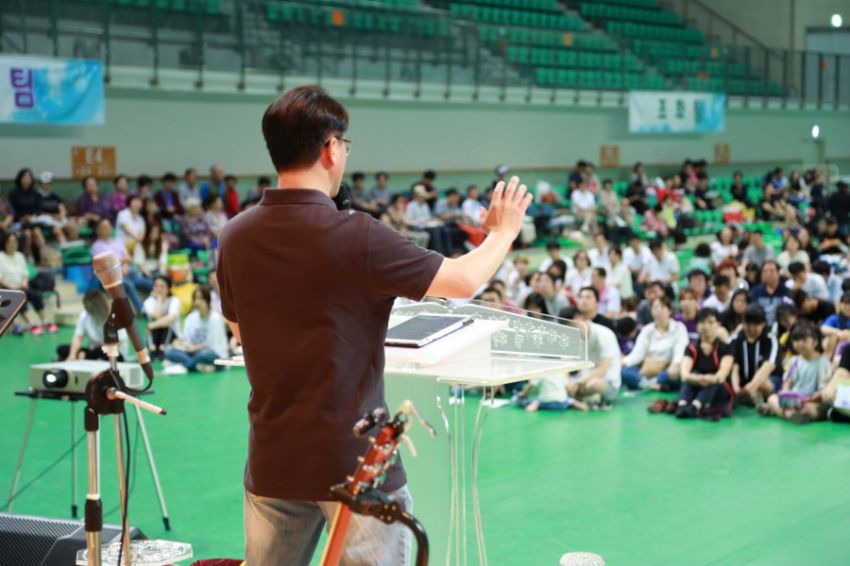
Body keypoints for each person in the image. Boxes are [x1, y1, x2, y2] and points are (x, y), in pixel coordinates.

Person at [215, 85, 533, 565]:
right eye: (344, 144)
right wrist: (503, 231)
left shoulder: (235, 236)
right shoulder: (357, 234)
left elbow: (241, 332)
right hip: (354, 460)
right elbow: (463, 279)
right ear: (330, 149)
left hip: (273, 458)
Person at [758, 320, 830, 423]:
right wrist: (785, 393)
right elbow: (787, 382)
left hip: (811, 400)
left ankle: (778, 412)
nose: (799, 344)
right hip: (794, 400)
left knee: (813, 409)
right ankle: (791, 415)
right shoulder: (794, 360)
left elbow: (823, 390)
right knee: (772, 398)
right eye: (796, 340)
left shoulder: (823, 362)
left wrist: (807, 400)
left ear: (815, 342)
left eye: (804, 340)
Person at [674, 308, 735, 420]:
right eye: (702, 322)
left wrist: (707, 378)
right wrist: (696, 378)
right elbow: (684, 374)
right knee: (694, 374)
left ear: (718, 324)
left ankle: (695, 406)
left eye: (711, 322)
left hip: (719, 389)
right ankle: (682, 405)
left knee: (712, 377)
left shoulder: (726, 348)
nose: (706, 326)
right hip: (696, 384)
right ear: (697, 325)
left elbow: (721, 375)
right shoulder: (691, 348)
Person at [621, 295, 688, 391]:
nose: (658, 310)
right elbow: (637, 353)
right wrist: (624, 361)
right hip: (646, 370)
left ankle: (647, 383)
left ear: (669, 310)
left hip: (667, 369)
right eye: (655, 307)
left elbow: (680, 352)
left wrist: (675, 365)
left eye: (662, 307)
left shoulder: (679, 328)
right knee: (624, 372)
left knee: (677, 374)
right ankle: (651, 384)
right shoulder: (647, 329)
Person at [0, 232, 57, 335]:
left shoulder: (20, 256)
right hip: (8, 290)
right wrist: (13, 288)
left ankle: (45, 322)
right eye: (10, 242)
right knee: (19, 299)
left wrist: (24, 283)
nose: (12, 244)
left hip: (22, 287)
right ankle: (32, 324)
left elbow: (25, 274)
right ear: (4, 243)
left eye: (14, 242)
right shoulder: (1, 257)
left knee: (35, 296)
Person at [164, 286, 228, 374]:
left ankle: (186, 366)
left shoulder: (216, 319)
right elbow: (187, 341)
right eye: (195, 299)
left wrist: (195, 348)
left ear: (207, 301)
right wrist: (182, 345)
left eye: (201, 299)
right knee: (169, 351)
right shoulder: (190, 318)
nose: (197, 302)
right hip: (193, 353)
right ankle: (196, 365)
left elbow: (212, 344)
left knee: (203, 354)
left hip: (214, 355)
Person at [56, 289, 128, 361]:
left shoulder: (115, 316)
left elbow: (118, 343)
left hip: (113, 353)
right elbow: (78, 338)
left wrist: (99, 347)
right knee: (62, 349)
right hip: (93, 351)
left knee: (98, 351)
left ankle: (83, 357)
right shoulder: (85, 315)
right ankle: (82, 356)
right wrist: (72, 355)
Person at [731, 305, 782, 405]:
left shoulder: (770, 339)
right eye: (748, 324)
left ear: (763, 323)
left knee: (765, 384)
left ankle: (759, 398)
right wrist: (736, 389)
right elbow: (734, 367)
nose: (751, 329)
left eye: (756, 325)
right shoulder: (736, 339)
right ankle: (753, 398)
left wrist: (750, 388)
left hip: (767, 380)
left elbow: (768, 366)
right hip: (743, 382)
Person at [567, 317, 622, 409]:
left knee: (594, 384)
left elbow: (603, 369)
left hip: (606, 381)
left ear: (583, 319)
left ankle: (576, 397)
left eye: (575, 326)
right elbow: (564, 363)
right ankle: (579, 397)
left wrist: (578, 383)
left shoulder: (605, 334)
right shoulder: (572, 335)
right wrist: (567, 381)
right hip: (582, 379)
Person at [143, 275, 181, 361]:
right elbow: (156, 316)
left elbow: (171, 318)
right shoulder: (148, 302)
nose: (158, 289)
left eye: (162, 287)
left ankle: (162, 348)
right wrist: (159, 299)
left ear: (169, 288)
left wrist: (152, 325)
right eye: (156, 286)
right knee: (158, 322)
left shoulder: (174, 300)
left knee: (166, 324)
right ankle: (153, 349)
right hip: (154, 335)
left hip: (172, 334)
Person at [749, 261, 788, 326]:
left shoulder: (786, 290)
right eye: (765, 271)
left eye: (771, 271)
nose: (768, 274)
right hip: (761, 326)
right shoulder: (755, 291)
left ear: (778, 273)